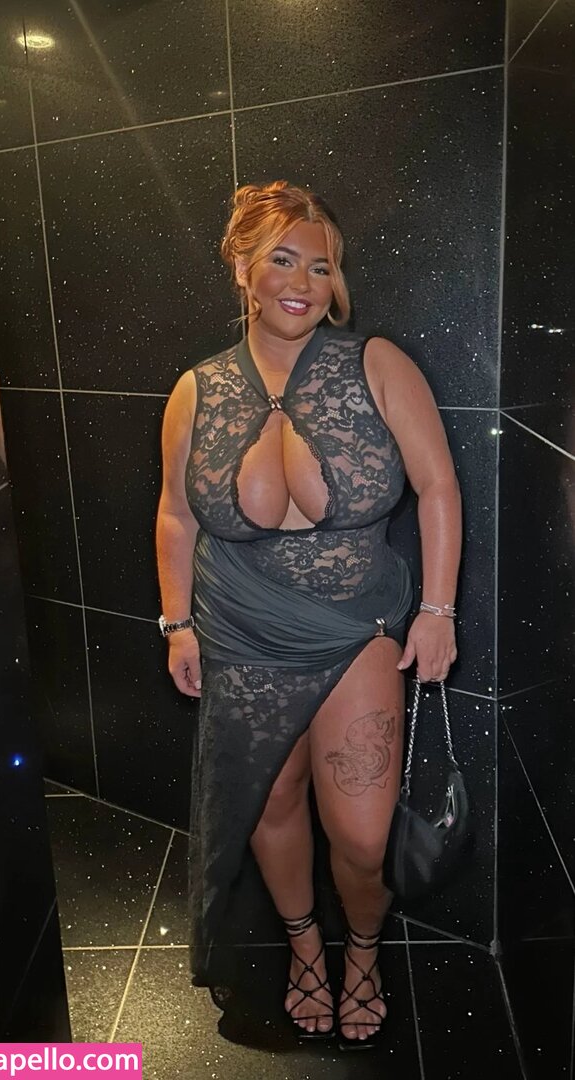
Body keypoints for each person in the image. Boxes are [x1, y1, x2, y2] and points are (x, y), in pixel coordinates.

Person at [155, 180, 461, 1050]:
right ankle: (303, 950)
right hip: (238, 628)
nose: (302, 282)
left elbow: (439, 485)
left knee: (361, 837)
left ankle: (361, 948)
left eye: (320, 267)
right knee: (270, 801)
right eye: (282, 260)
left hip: (355, 626)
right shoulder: (197, 388)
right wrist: (176, 623)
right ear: (241, 269)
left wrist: (437, 610)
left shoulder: (376, 363)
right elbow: (174, 513)